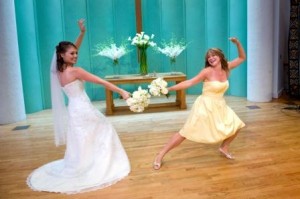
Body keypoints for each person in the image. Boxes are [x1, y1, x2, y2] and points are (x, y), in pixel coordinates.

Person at [27, 19, 131, 194]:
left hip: (74, 110)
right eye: (72, 54)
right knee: (104, 129)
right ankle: (99, 166)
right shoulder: (76, 71)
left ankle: (83, 163)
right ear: (62, 55)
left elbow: (70, 51)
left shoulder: (58, 71)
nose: (75, 56)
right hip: (83, 108)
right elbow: (101, 81)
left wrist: (82, 33)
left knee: (82, 138)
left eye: (76, 53)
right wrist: (121, 91)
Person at [153, 37, 246, 170]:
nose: (211, 58)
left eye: (213, 55)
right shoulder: (206, 72)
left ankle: (224, 147)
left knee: (237, 126)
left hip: (220, 105)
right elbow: (189, 82)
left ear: (220, 57)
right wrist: (169, 89)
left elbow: (242, 57)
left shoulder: (227, 67)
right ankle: (160, 155)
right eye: (209, 57)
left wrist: (237, 43)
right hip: (205, 106)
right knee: (185, 133)